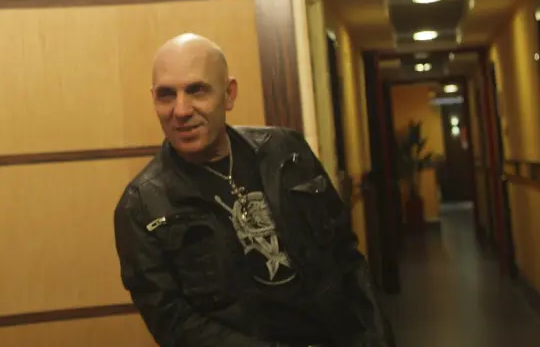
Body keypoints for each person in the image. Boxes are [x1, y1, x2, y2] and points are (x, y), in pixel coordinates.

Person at [113, 33, 391, 347]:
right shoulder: (142, 205)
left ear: (229, 94)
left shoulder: (286, 151)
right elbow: (174, 323)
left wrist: (377, 337)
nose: (181, 110)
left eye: (196, 90)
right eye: (166, 95)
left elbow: (345, 255)